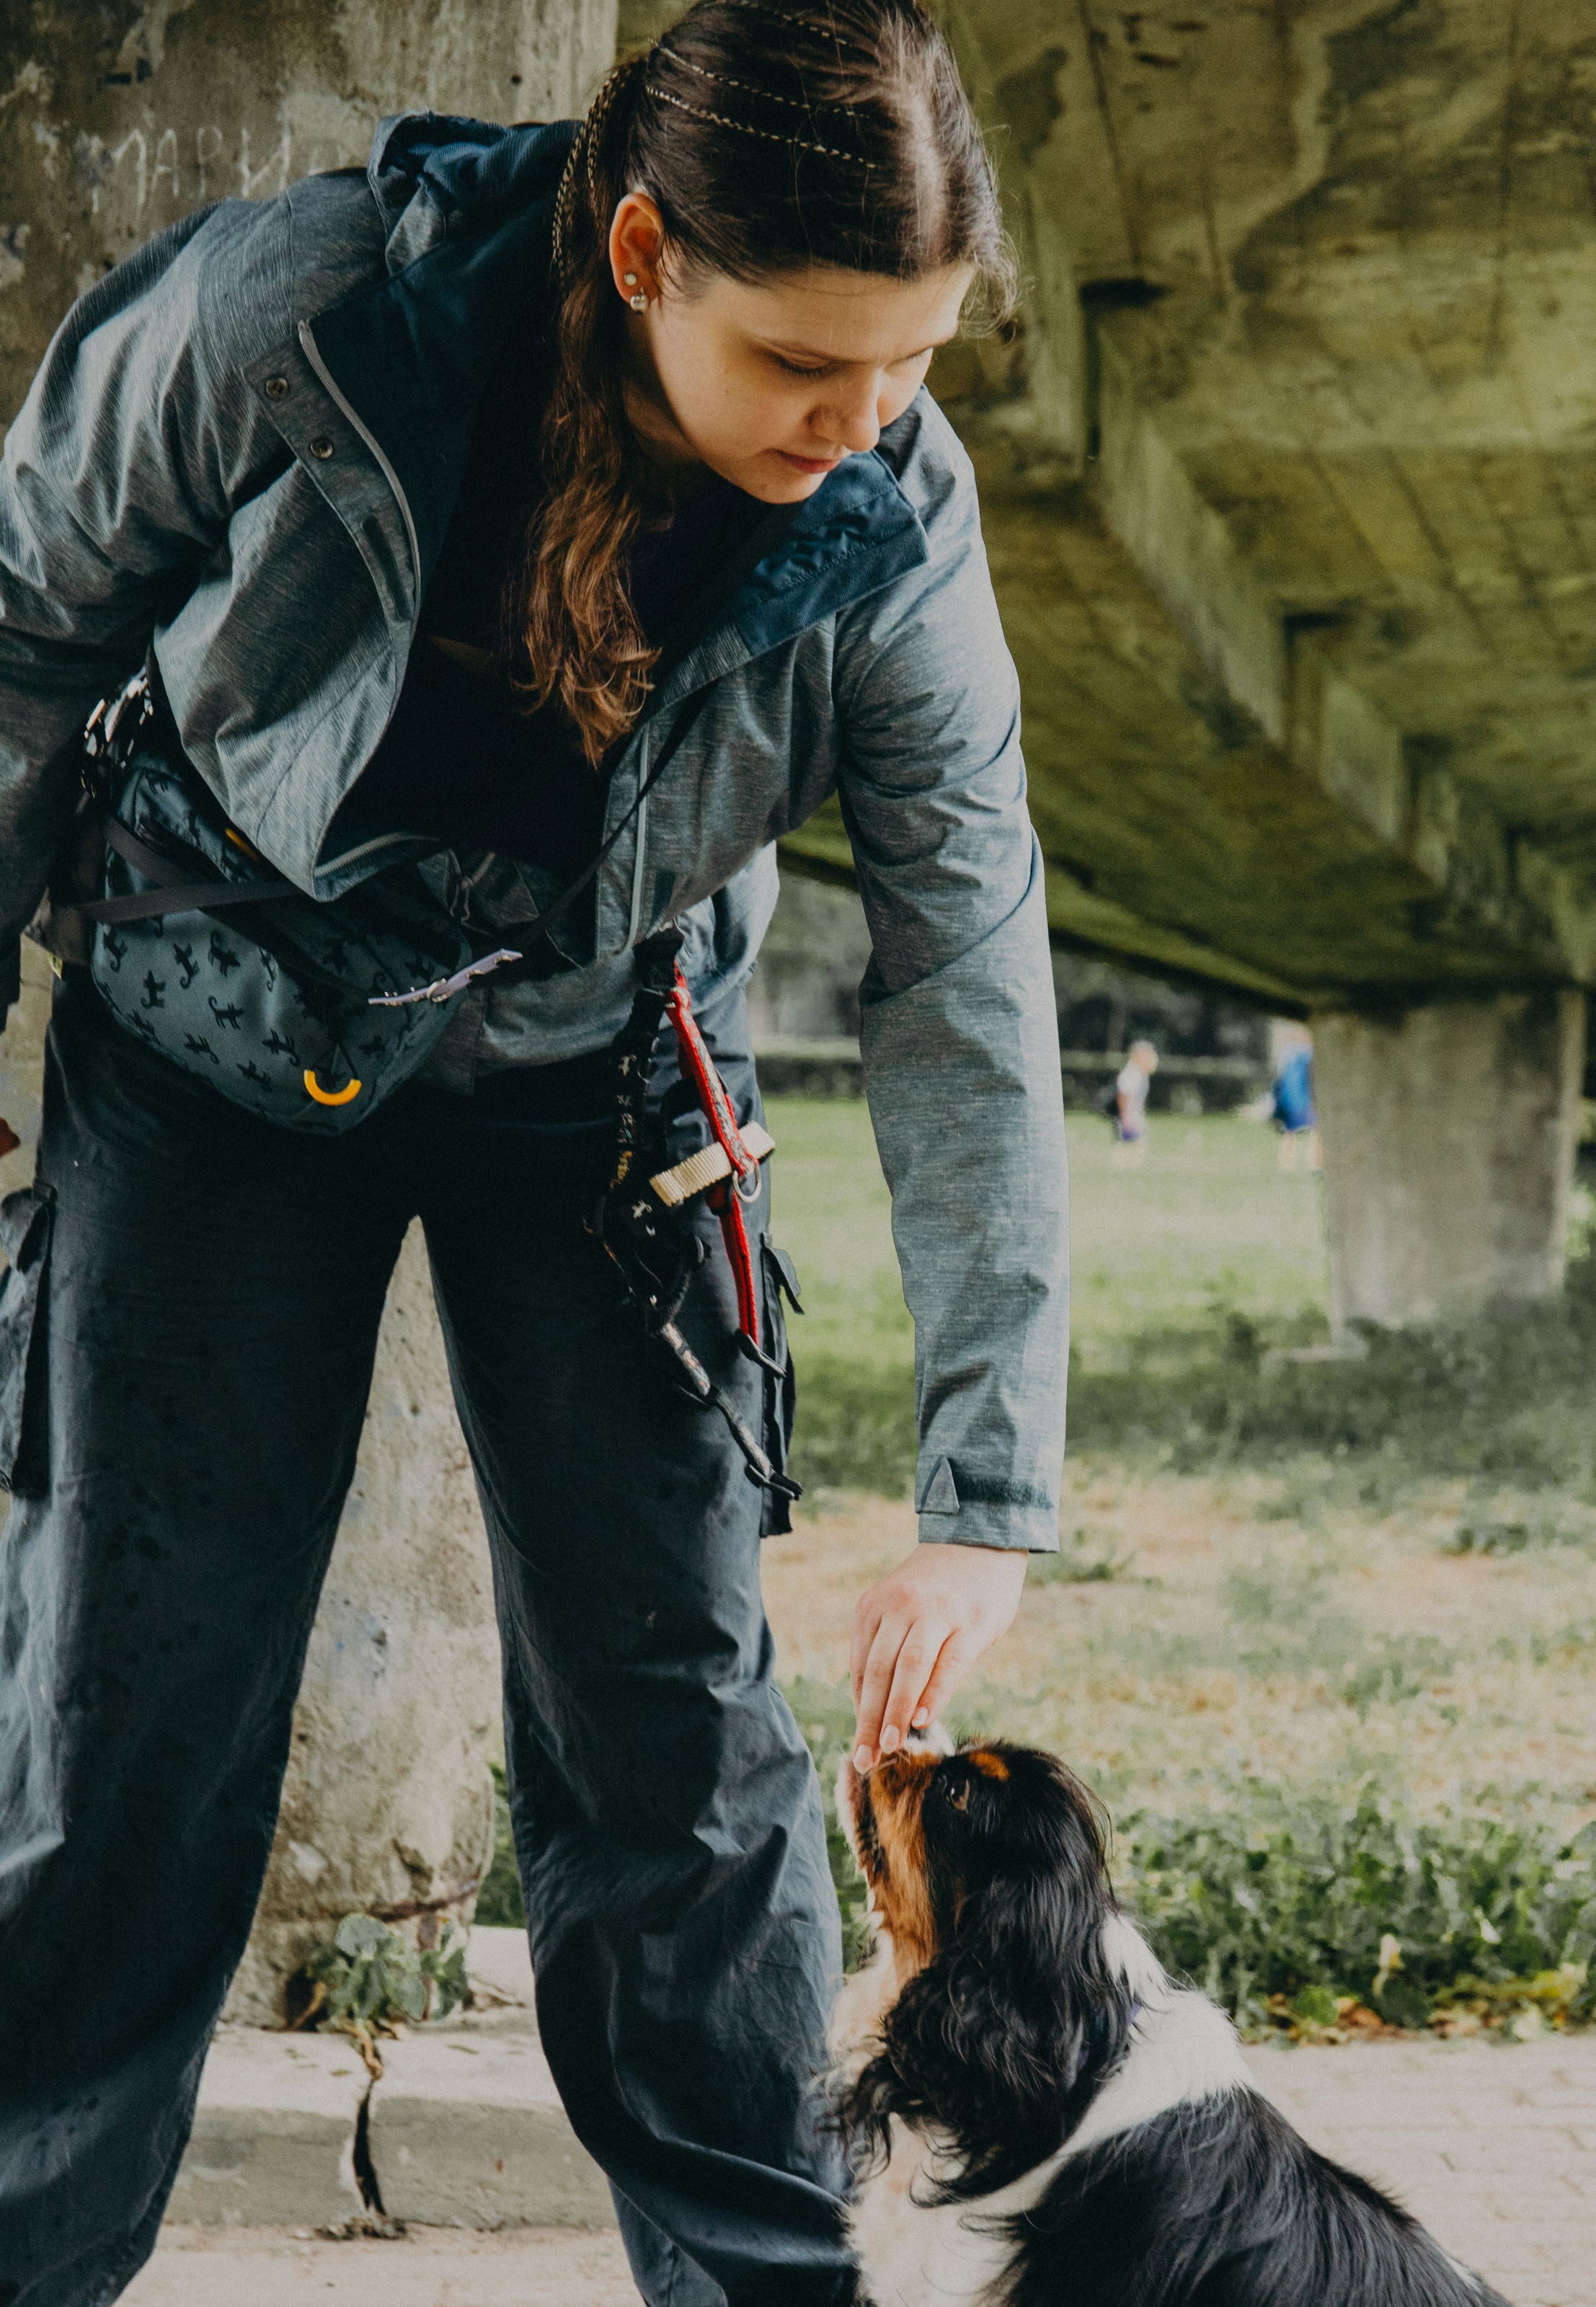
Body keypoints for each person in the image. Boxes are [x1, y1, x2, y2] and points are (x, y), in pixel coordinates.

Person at [0, 8, 1068, 2303]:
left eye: (909, 364)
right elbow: (16, 623)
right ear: (643, 248)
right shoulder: (288, 315)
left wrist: (988, 1495)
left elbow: (964, 956)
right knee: (124, 1730)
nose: (859, 423)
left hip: (598, 1094)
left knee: (682, 1765)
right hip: (202, 1052)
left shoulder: (893, 510)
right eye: (805, 357)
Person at [1270, 1022, 1318, 1172]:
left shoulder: (1292, 1052)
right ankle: (1291, 1162)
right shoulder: (1301, 1052)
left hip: (1299, 1096)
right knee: (1304, 1130)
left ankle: (1310, 1162)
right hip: (1298, 1097)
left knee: (1311, 1130)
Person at [1112, 1036, 1158, 1166]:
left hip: (1134, 1114)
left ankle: (1128, 1166)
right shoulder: (1132, 1073)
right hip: (1129, 1115)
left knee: (1134, 1143)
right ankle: (1124, 1166)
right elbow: (1123, 1096)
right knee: (1130, 1143)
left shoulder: (1140, 1073)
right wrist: (1125, 1117)